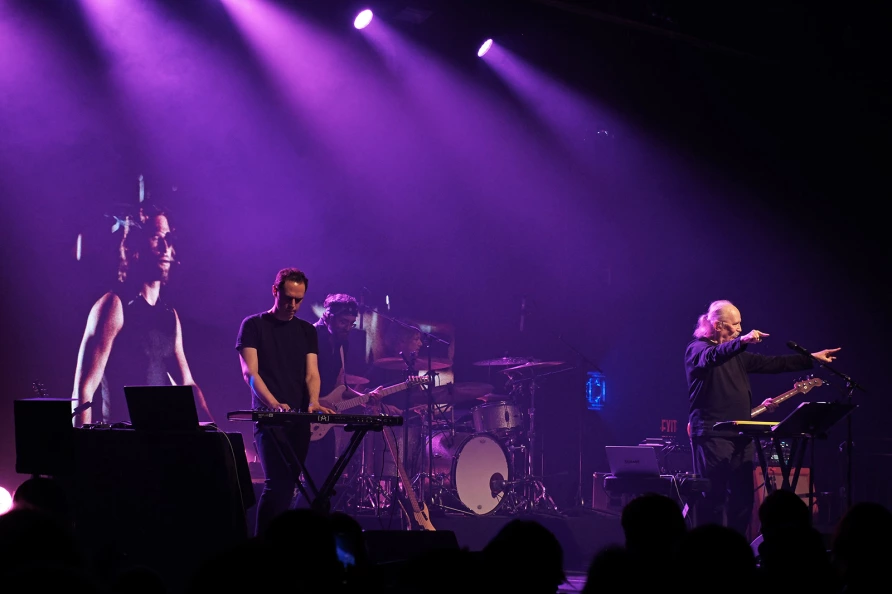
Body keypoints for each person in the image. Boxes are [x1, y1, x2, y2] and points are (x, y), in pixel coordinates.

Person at [684, 299, 840, 536]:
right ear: (717, 326)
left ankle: (736, 550)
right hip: (713, 433)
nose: (739, 329)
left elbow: (773, 363)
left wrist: (812, 359)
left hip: (742, 433)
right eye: (734, 325)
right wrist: (743, 341)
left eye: (740, 325)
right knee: (713, 497)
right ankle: (709, 552)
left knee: (743, 499)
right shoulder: (698, 349)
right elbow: (712, 357)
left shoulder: (736, 355)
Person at [72, 203, 212, 426]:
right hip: (122, 442)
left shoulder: (169, 315)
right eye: (157, 237)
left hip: (163, 439)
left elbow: (188, 385)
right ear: (135, 246)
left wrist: (218, 433)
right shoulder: (113, 305)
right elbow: (84, 388)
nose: (165, 247)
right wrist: (79, 448)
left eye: (168, 238)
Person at [235, 267, 335, 536]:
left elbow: (312, 373)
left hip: (299, 419)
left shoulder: (306, 331)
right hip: (269, 419)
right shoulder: (253, 325)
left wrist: (313, 401)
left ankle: (283, 545)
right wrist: (274, 404)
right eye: (288, 298)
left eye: (298, 300)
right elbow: (250, 373)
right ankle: (262, 547)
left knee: (292, 484)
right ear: (275, 291)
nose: (293, 305)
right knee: (277, 484)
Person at [302, 293, 383, 501]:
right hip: (305, 412)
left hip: (325, 415)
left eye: (351, 323)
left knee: (326, 479)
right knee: (311, 480)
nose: (347, 327)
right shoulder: (310, 335)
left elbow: (340, 384)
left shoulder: (342, 344)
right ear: (327, 315)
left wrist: (364, 397)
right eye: (343, 322)